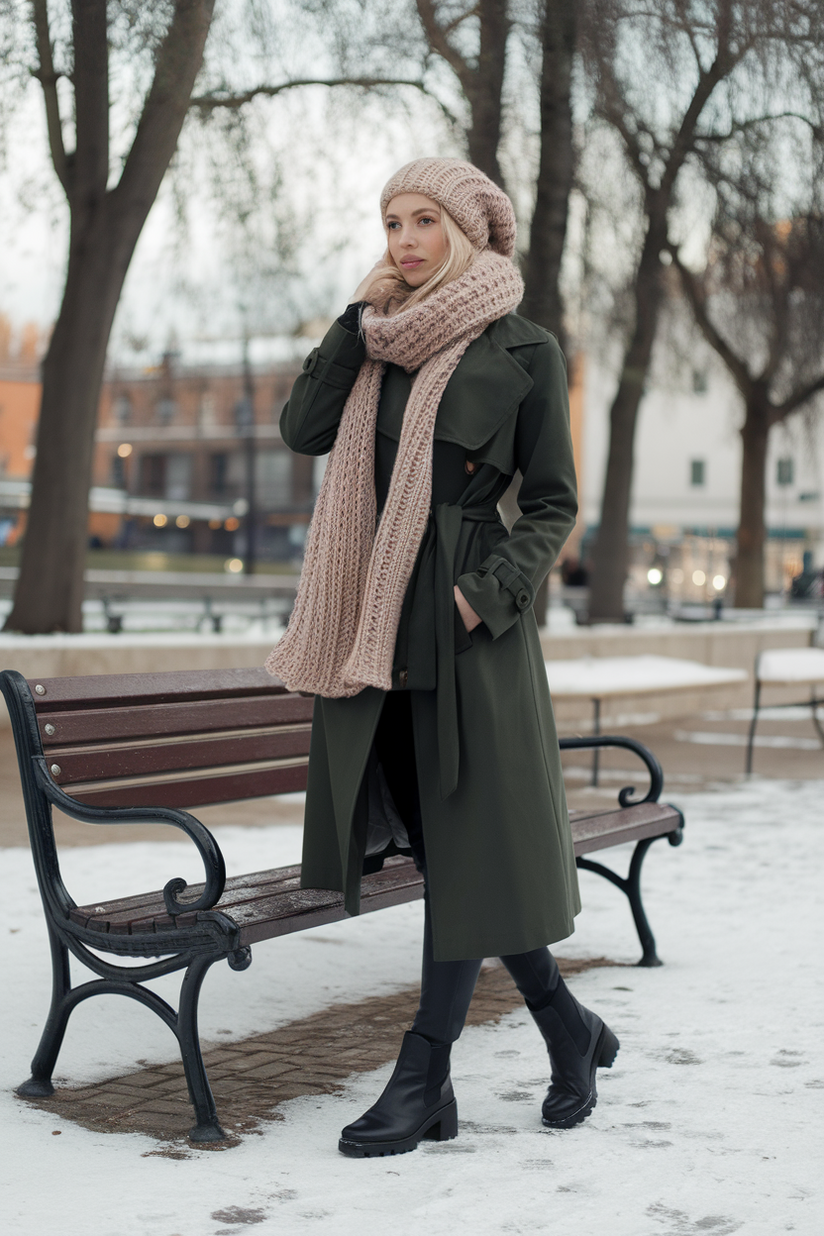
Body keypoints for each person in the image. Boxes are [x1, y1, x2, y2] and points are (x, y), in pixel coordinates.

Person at [266, 158, 618, 1158]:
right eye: (390, 221)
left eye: (423, 220)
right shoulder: (375, 344)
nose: (403, 239)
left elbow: (551, 501)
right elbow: (302, 433)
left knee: (462, 853)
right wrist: (349, 320)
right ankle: (567, 1031)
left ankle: (423, 1076)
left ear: (467, 231)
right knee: (446, 850)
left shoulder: (523, 348)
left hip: (464, 637)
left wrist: (484, 593)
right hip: (368, 628)